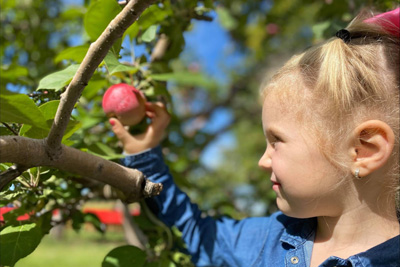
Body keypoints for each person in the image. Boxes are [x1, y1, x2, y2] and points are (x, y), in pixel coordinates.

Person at [109, 7, 400, 267]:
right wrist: (145, 158)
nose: (263, 161)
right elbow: (197, 233)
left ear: (364, 149)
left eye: (276, 141)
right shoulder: (269, 240)